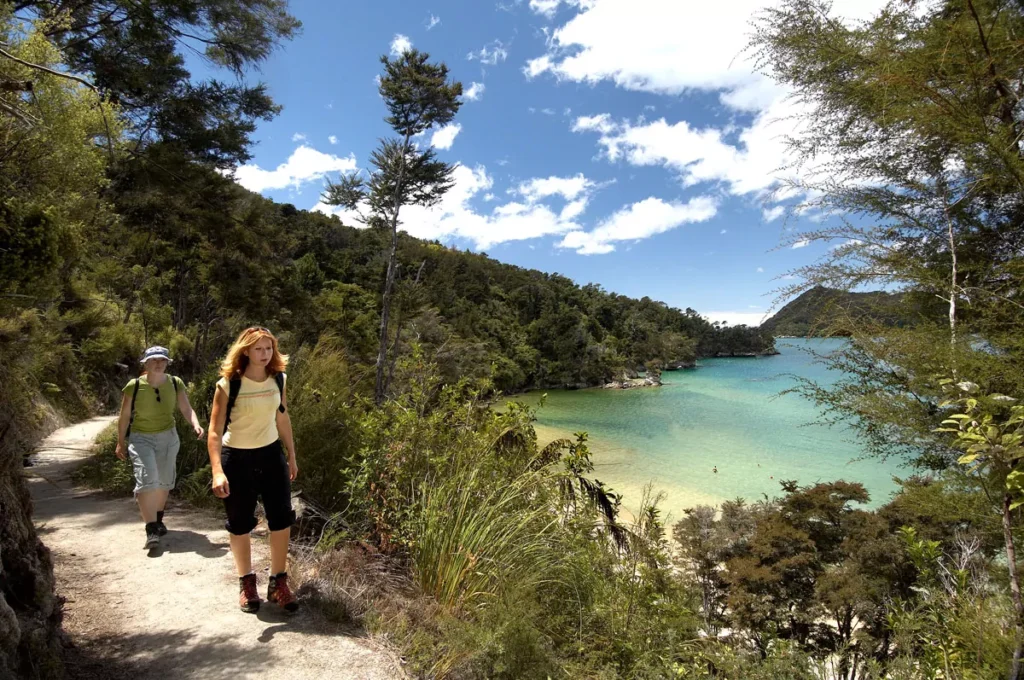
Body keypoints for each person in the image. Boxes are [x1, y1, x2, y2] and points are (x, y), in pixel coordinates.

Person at [207, 327, 299, 613]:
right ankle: (247, 583)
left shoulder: (278, 379)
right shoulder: (228, 385)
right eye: (258, 349)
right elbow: (214, 431)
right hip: (237, 458)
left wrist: (292, 456)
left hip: (271, 455)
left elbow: (282, 418)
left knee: (281, 519)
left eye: (269, 348)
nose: (265, 354)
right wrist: (217, 471)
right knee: (240, 523)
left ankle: (278, 583)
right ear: (245, 350)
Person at [116, 346, 205, 550]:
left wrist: (195, 424)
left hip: (168, 437)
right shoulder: (134, 385)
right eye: (153, 360)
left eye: (162, 360)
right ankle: (151, 530)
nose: (158, 363)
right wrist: (120, 441)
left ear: (167, 363)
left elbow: (185, 407)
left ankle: (158, 518)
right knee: (147, 479)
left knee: (164, 481)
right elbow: (125, 416)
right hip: (141, 438)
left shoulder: (175, 383)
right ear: (145, 364)